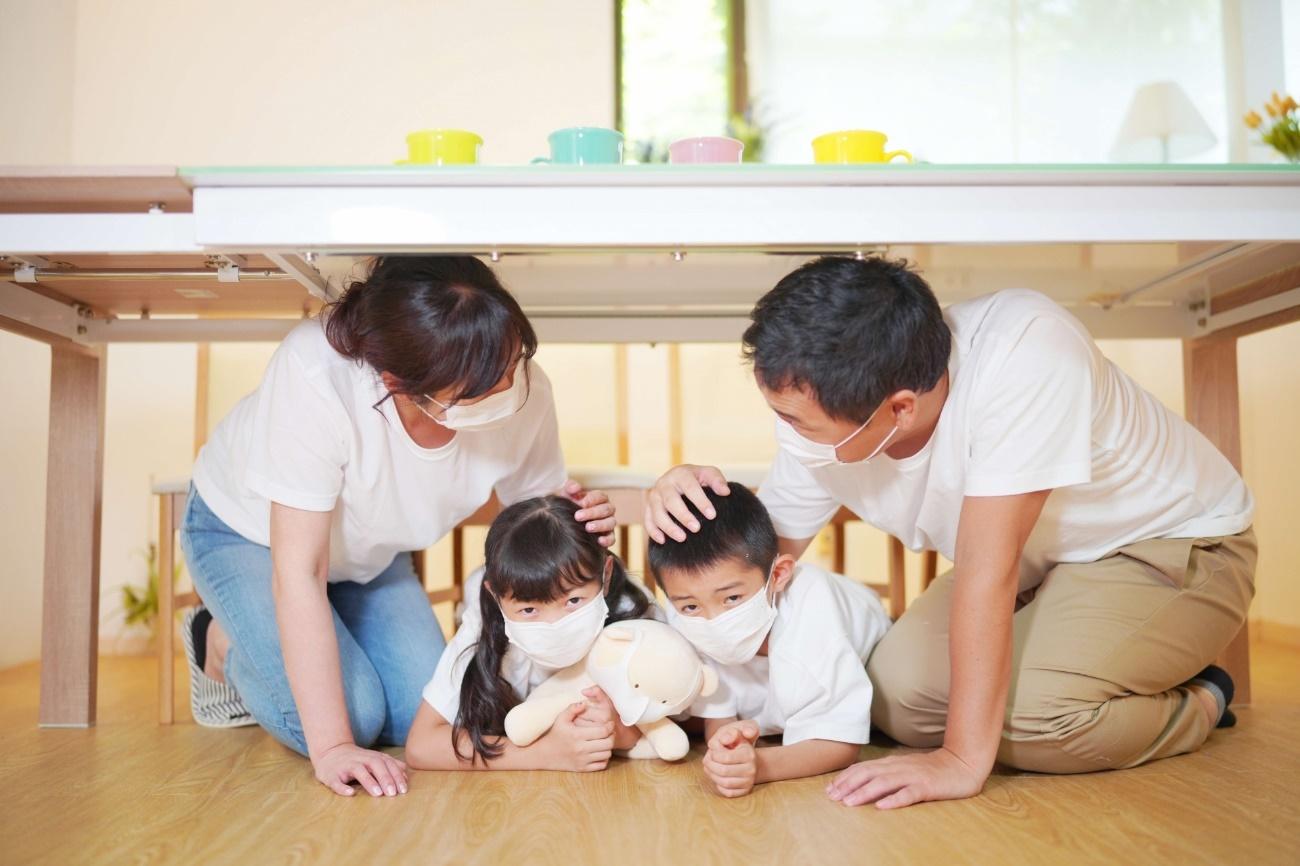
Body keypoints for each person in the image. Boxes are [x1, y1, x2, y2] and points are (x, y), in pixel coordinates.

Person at [645, 255, 1255, 809]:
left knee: (1034, 720)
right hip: (1035, 569)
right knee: (893, 698)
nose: (788, 433)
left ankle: (1203, 697)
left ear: (900, 408)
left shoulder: (1026, 354)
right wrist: (688, 509)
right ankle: (1086, 665)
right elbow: (760, 555)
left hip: (1172, 544)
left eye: (798, 422)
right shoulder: (820, 396)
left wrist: (961, 761)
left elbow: (988, 578)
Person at [180, 255, 617, 797]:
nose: (509, 388)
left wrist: (575, 522)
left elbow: (536, 520)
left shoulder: (524, 388)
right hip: (249, 536)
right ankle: (217, 639)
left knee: (420, 715)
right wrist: (334, 748)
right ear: (398, 383)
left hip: (371, 555)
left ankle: (318, 628)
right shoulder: (318, 374)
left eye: (511, 363)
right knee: (353, 720)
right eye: (480, 386)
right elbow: (300, 572)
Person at [648, 483, 890, 798]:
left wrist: (761, 765)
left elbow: (840, 742)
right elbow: (718, 710)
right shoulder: (683, 610)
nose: (713, 620)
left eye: (732, 598)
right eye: (691, 606)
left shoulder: (812, 624)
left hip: (873, 637)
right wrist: (727, 747)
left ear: (778, 575)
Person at [405, 495, 655, 770]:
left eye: (573, 601)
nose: (554, 626)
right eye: (529, 610)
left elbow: (679, 712)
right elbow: (422, 744)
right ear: (496, 596)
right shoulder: (484, 625)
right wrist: (542, 754)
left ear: (605, 576)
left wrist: (617, 730)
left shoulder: (633, 615)